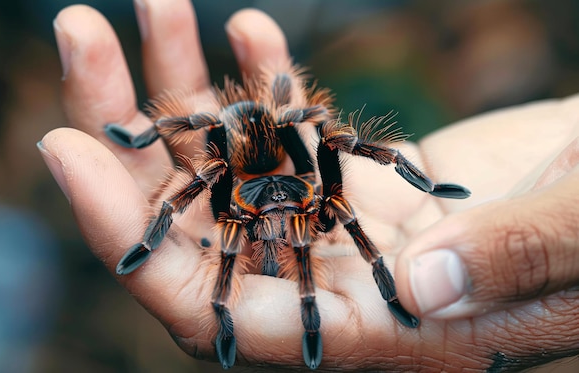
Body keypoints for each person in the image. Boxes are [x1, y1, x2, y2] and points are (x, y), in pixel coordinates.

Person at [38, 0, 579, 371]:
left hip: (292, 175)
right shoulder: (227, 185)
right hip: (245, 174)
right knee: (207, 165)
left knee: (339, 155)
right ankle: (217, 300)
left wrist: (409, 213)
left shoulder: (323, 202)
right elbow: (206, 170)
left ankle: (401, 247)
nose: (282, 223)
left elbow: (330, 147)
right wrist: (159, 235)